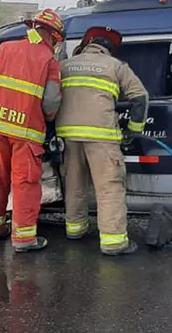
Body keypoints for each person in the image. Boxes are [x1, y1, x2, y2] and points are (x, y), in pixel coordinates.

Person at [0, 9, 65, 252]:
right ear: (53, 36)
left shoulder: (5, 49)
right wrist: (48, 119)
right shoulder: (49, 61)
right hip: (26, 133)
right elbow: (50, 103)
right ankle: (24, 238)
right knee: (25, 183)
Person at [55, 26, 149, 256]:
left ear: (87, 44)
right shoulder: (116, 66)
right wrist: (133, 130)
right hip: (101, 136)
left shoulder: (65, 66)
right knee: (109, 189)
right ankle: (114, 242)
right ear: (109, 49)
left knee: (74, 185)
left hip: (67, 136)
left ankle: (75, 230)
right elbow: (140, 97)